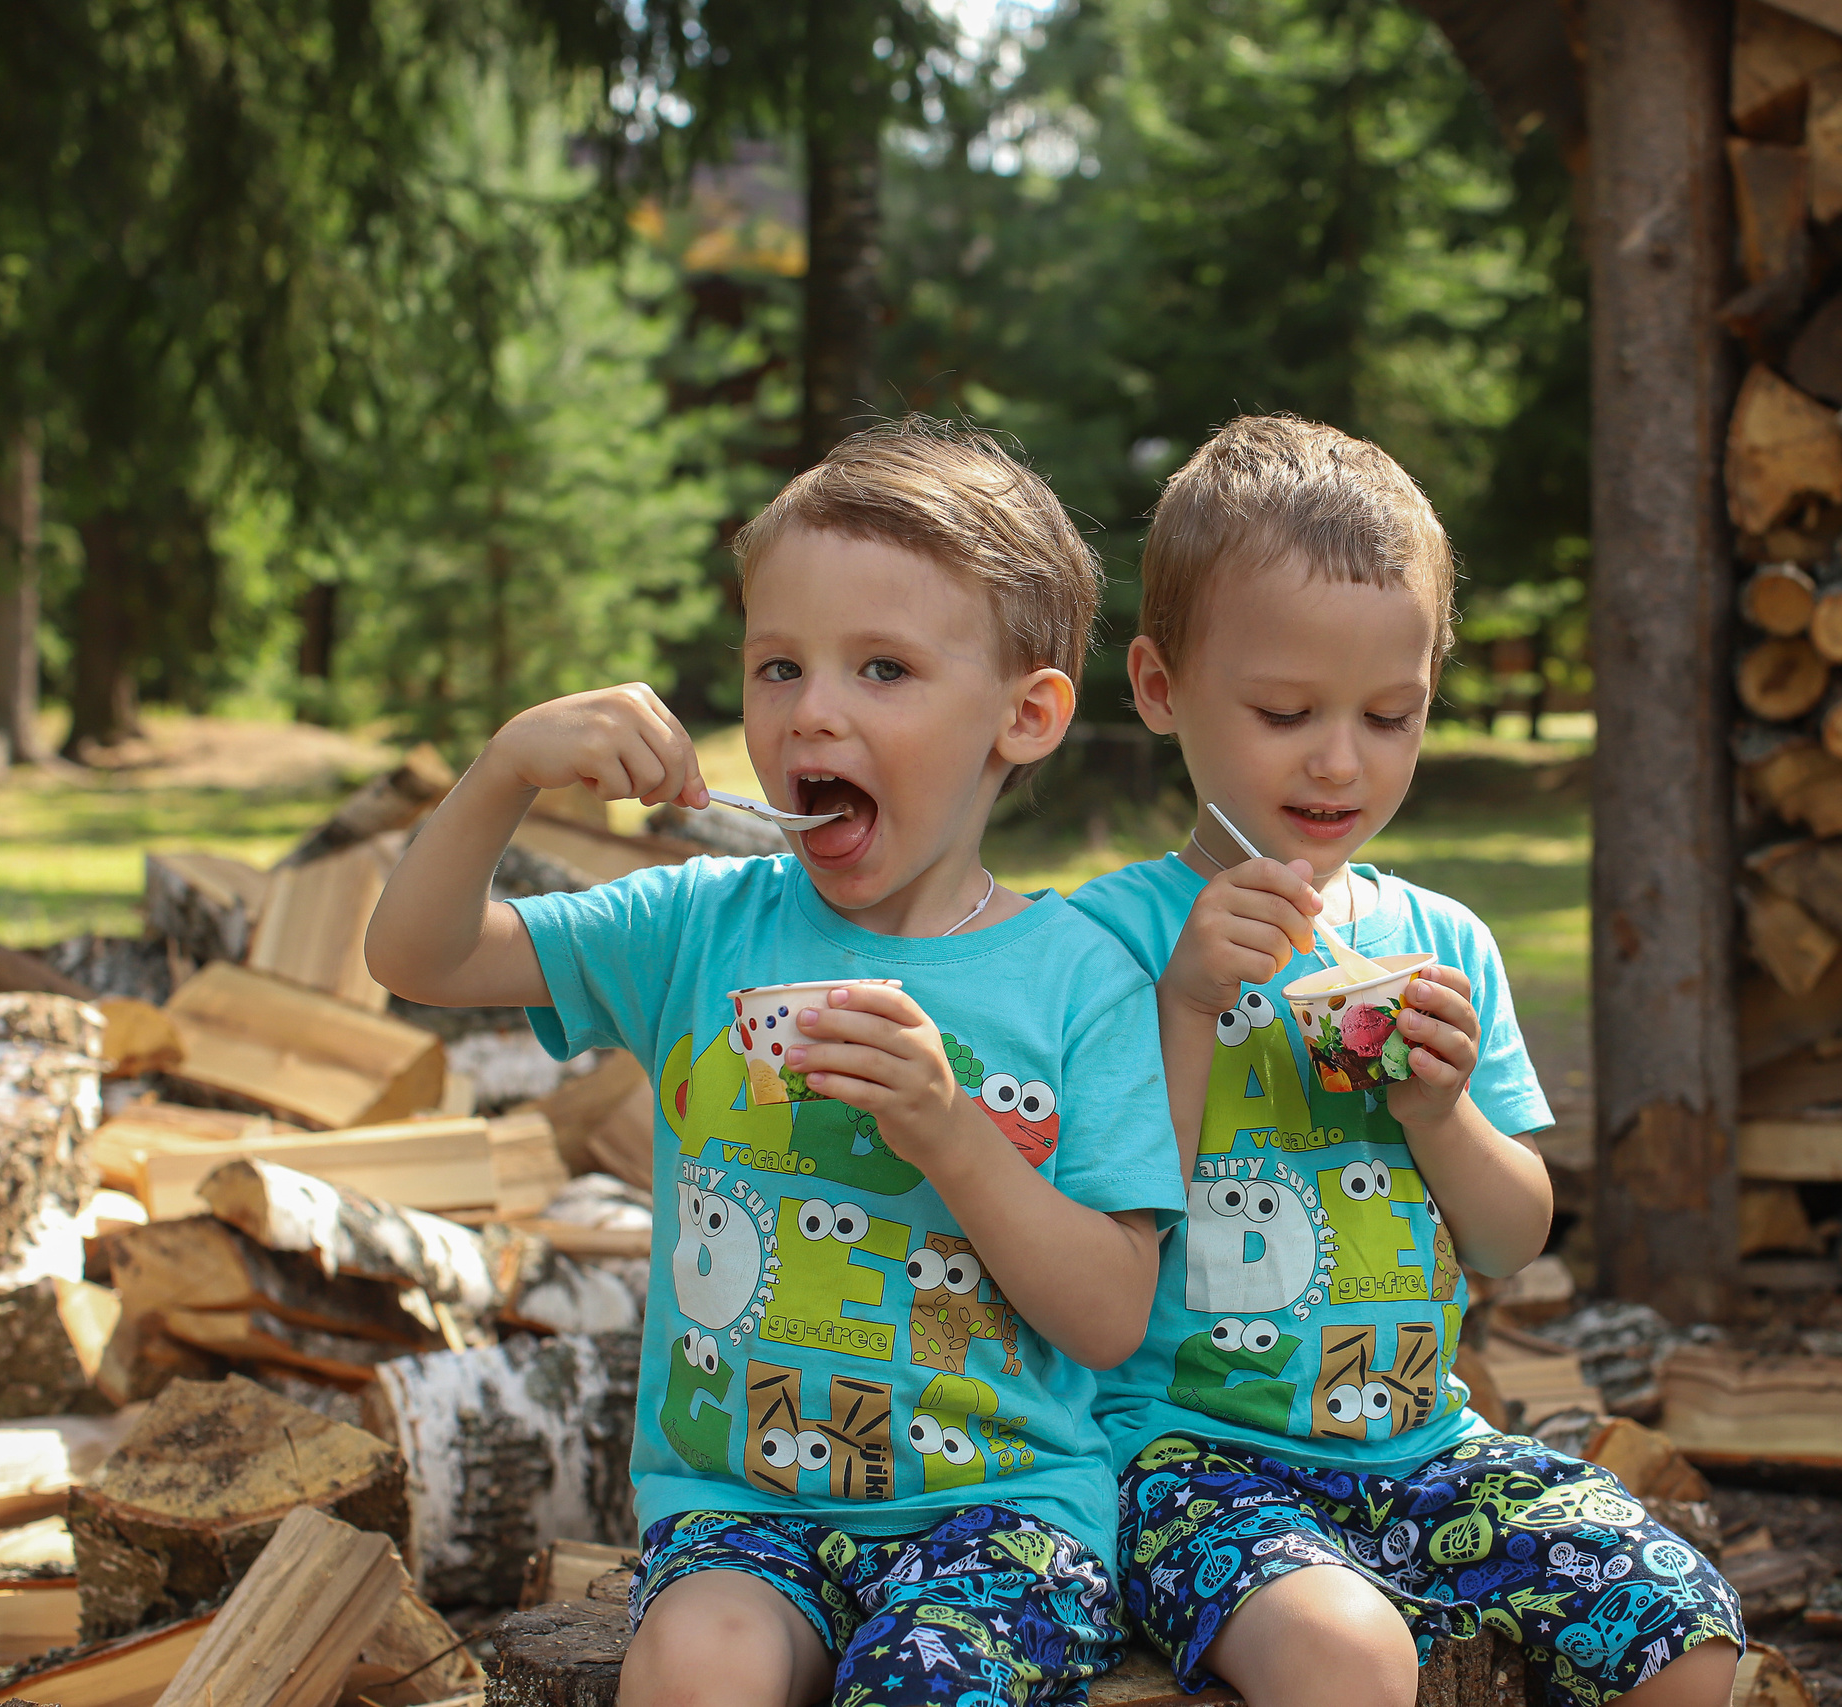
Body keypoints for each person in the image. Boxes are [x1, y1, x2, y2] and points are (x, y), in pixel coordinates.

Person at [365, 419, 1187, 1707]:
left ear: (1023, 716)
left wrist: (956, 1137)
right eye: (777, 667)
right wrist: (507, 770)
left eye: (883, 669)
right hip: (737, 1512)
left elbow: (1109, 1314)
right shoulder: (698, 924)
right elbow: (418, 958)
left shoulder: (1082, 980)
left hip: (1002, 1523)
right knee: (694, 1674)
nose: (813, 711)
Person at [1068, 415, 1743, 1707]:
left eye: (1391, 715)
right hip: (1183, 1466)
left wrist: (1440, 1115)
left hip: (1427, 1454)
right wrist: (1187, 1005)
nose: (1339, 760)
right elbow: (1088, 1222)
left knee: (1686, 1634)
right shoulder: (1109, 945)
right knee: (1350, 1655)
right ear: (1159, 689)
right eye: (1284, 712)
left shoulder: (1441, 942)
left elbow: (1510, 1239)